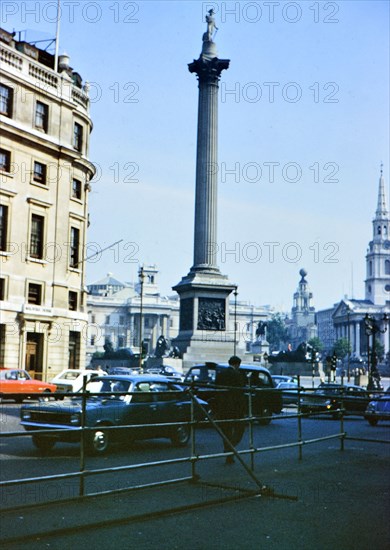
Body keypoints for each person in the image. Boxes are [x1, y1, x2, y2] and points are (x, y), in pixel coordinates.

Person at [215, 355, 246, 464]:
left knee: (226, 431)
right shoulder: (237, 375)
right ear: (237, 364)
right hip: (235, 408)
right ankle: (230, 449)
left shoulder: (221, 375)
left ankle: (229, 454)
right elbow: (241, 392)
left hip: (223, 407)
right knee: (239, 430)